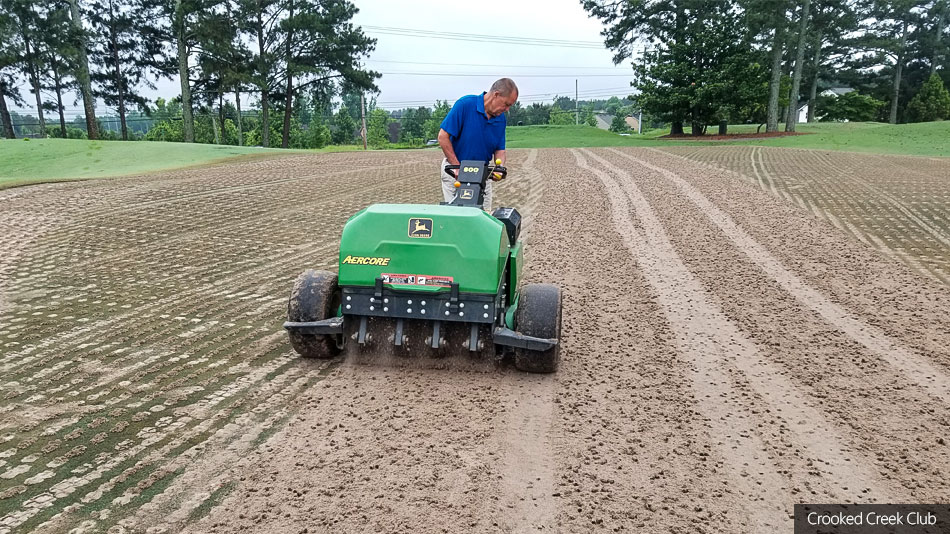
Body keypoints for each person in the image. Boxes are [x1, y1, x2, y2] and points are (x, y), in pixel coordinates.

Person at [437, 78, 518, 212]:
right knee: (455, 217)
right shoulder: (465, 105)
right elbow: (443, 137)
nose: (507, 109)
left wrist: (499, 167)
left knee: (483, 218)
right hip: (455, 171)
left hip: (481, 175)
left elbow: (500, 149)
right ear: (496, 95)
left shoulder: (500, 119)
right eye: (506, 104)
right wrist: (457, 168)